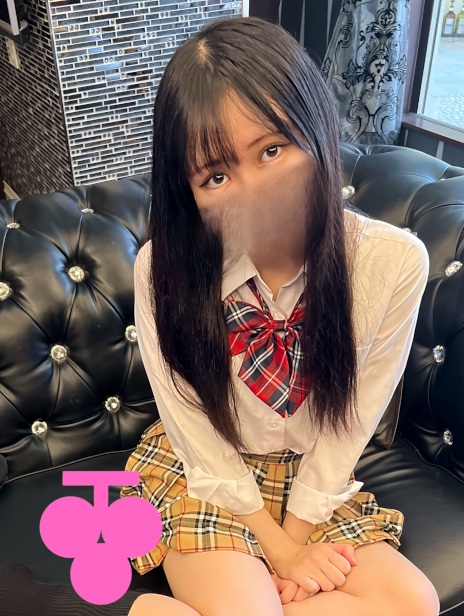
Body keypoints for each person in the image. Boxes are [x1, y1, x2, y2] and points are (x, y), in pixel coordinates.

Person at [0, 15, 439, 616]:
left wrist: (298, 536)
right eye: (216, 175)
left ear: (317, 130)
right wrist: (281, 552)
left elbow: (350, 424)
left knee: (414, 602)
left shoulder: (392, 263)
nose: (255, 192)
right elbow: (192, 427)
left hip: (312, 481)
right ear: (190, 193)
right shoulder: (165, 269)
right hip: (208, 474)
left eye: (272, 149)